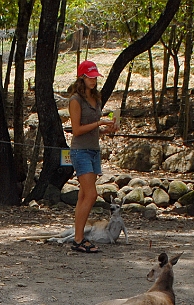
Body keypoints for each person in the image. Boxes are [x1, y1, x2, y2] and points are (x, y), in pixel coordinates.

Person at [67, 60, 118, 254]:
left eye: (95, 76)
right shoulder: (75, 100)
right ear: (82, 77)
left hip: (94, 149)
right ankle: (78, 239)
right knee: (91, 194)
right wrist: (98, 123)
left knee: (83, 196)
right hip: (80, 151)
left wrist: (107, 128)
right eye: (90, 76)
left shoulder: (96, 98)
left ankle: (78, 236)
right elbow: (77, 130)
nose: (93, 80)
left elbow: (95, 129)